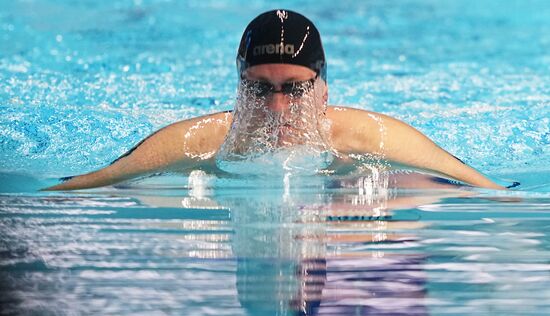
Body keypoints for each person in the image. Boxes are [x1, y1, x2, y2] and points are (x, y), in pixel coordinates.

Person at [45, 9, 504, 191]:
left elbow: (491, 192)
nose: (277, 108)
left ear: (324, 91)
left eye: (295, 88)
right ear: (239, 88)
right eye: (260, 88)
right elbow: (76, 187)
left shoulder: (373, 137)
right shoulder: (193, 144)